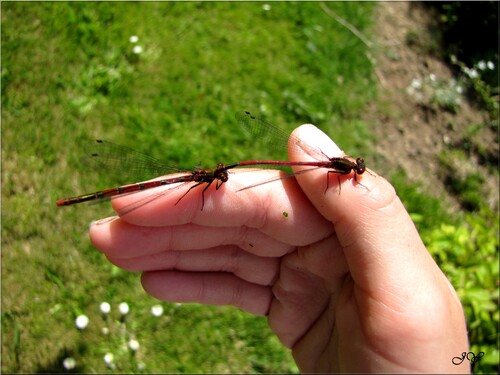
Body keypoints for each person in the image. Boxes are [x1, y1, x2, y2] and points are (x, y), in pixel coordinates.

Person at [89, 124, 470, 373]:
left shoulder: (338, 172)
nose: (222, 178)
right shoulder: (336, 171)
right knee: (151, 201)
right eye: (220, 175)